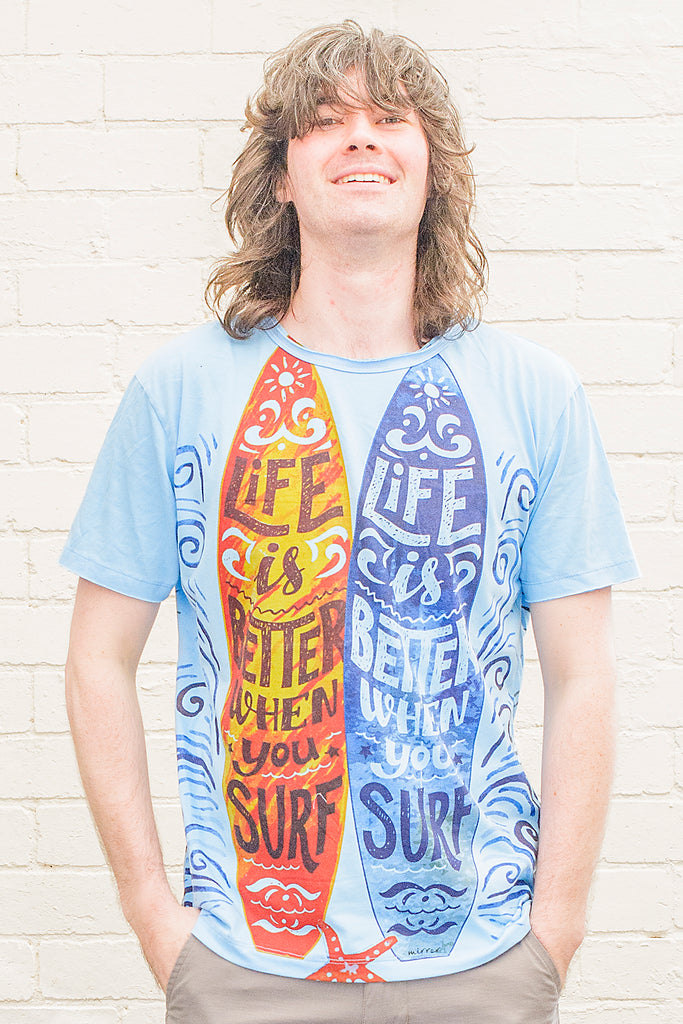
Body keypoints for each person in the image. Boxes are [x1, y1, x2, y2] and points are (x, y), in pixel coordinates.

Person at [61, 20, 638, 1024]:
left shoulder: (534, 395)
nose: (359, 138)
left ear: (431, 169)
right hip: (241, 964)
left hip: (484, 964)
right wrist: (157, 918)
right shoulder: (177, 391)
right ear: (280, 177)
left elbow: (581, 673)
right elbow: (94, 659)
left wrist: (553, 933)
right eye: (324, 122)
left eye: (388, 119)